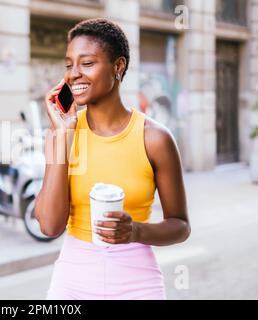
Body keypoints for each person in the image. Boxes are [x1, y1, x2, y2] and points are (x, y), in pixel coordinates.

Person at [34, 18, 190, 300]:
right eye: (69, 64)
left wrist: (136, 231)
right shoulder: (61, 134)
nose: (73, 74)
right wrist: (62, 136)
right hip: (72, 283)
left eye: (87, 63)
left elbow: (180, 225)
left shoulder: (155, 139)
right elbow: (49, 225)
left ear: (118, 67)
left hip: (138, 284)